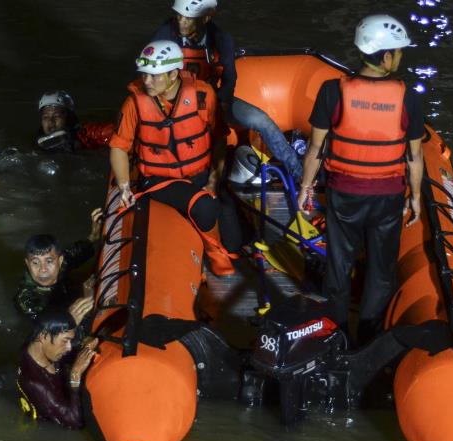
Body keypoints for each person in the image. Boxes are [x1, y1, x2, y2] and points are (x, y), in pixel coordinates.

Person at [296, 14, 425, 341]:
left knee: (338, 268)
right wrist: (417, 197)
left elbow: (315, 148)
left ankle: (335, 336)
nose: (399, 58)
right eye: (398, 52)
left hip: (344, 195)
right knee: (381, 273)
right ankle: (368, 338)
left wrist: (305, 187)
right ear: (385, 57)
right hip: (386, 199)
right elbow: (415, 155)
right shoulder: (406, 96)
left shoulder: (332, 91)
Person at [108, 40, 236, 275]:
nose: (146, 81)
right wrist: (125, 186)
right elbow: (119, 146)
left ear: (174, 74)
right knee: (205, 207)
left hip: (200, 173)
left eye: (154, 76)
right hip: (158, 180)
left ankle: (222, 243)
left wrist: (214, 179)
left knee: (237, 237)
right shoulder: (134, 103)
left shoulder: (203, 95)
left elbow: (219, 137)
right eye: (144, 75)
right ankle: (214, 255)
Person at [150, 0, 303, 179]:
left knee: (261, 120)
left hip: (212, 99)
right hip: (175, 101)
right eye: (179, 16)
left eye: (188, 18)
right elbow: (152, 73)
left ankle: (299, 172)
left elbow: (230, 78)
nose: (181, 21)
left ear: (205, 18)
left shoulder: (222, 39)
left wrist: (221, 102)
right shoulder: (166, 33)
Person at [14, 208, 103, 323]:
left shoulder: (62, 263)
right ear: (27, 263)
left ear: (60, 261)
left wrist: (93, 237)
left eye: (49, 261)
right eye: (35, 263)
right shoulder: (27, 301)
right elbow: (46, 331)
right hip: (57, 317)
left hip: (67, 291)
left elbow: (75, 252)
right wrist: (85, 299)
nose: (43, 269)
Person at [16, 309, 98, 428]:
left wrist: (83, 344)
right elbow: (74, 422)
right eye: (65, 341)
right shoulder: (36, 383)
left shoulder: (35, 344)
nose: (69, 347)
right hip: (44, 427)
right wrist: (75, 376)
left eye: (70, 340)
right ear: (43, 337)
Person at [36, 91, 115, 152]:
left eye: (57, 116)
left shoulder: (85, 133)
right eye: (45, 117)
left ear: (69, 117)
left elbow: (115, 132)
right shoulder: (38, 142)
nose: (50, 121)